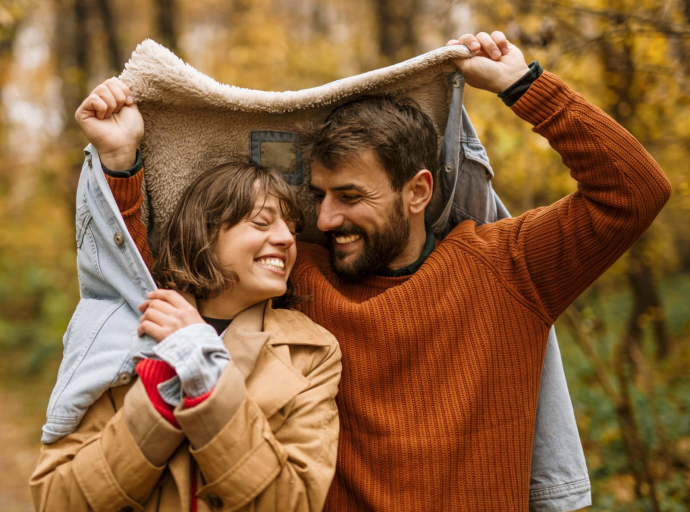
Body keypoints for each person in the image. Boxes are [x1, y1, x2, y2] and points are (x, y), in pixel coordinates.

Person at [51, 30, 671, 511]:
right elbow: (166, 272)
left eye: (349, 196)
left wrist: (525, 85)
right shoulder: (304, 281)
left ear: (418, 191)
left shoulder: (510, 266)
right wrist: (122, 161)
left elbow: (634, 191)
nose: (322, 220)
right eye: (317, 196)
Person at [30, 124, 342, 508]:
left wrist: (206, 374)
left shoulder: (313, 351)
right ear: (205, 234)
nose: (287, 239)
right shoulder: (120, 328)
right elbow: (56, 500)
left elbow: (294, 502)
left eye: (292, 228)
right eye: (261, 222)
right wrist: (157, 402)